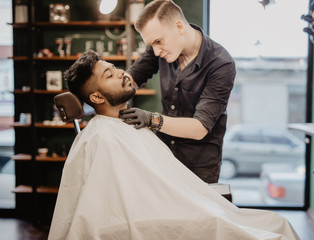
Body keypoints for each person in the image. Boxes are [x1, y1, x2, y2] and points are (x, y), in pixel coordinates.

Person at [48, 50, 299, 240]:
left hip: (176, 203)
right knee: (267, 232)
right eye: (109, 75)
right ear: (97, 97)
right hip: (159, 217)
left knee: (277, 223)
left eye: (115, 68)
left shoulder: (126, 125)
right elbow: (110, 207)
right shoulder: (101, 136)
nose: (122, 73)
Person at [119, 0, 236, 183]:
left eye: (158, 42)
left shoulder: (220, 64)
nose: (156, 52)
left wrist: (152, 119)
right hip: (164, 153)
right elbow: (133, 77)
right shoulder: (161, 48)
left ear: (179, 27)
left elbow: (199, 128)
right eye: (152, 45)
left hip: (199, 163)